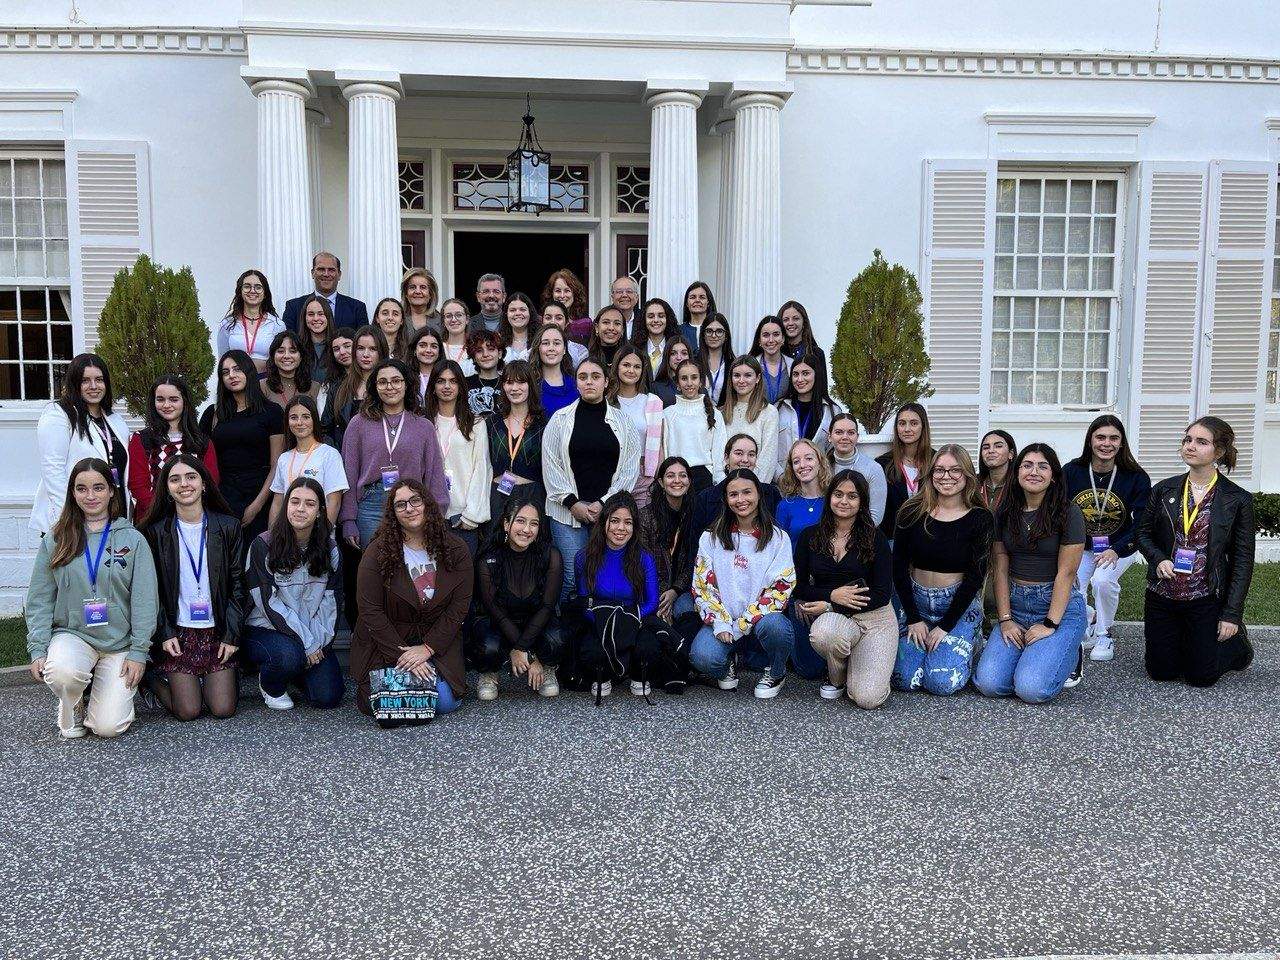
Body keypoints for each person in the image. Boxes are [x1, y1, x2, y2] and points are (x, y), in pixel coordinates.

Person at [25, 459, 158, 738]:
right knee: (62, 671)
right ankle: (72, 699)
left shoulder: (132, 540)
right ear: (72, 493)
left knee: (108, 728)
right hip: (74, 635)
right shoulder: (57, 539)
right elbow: (40, 599)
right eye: (82, 488)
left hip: (119, 642)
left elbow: (146, 601)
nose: (91, 496)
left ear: (111, 491)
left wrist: (139, 652)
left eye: (98, 488)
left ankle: (103, 694)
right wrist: (38, 647)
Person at [1136, 416, 1255, 688]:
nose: (1191, 446)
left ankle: (1237, 648)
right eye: (1188, 440)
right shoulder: (1164, 489)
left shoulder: (1237, 499)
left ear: (1219, 452)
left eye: (1201, 442)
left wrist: (1232, 614)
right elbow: (1142, 534)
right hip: (1163, 593)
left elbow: (1242, 560)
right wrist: (1158, 558)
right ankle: (1187, 644)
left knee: (1200, 678)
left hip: (1205, 597)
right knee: (1161, 672)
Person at [974, 444, 1088, 704]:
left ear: (1054, 476)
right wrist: (1005, 619)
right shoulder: (1004, 514)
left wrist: (1050, 624)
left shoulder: (1069, 513)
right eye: (1027, 465)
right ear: (1016, 473)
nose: (1033, 471)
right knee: (989, 684)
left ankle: (1068, 647)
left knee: (1031, 690)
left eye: (1042, 466)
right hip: (1015, 606)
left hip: (1056, 606)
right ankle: (1036, 654)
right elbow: (1000, 568)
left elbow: (1067, 573)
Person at [351, 479, 473, 718]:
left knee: (444, 702)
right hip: (389, 641)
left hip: (436, 640)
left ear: (427, 503)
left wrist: (428, 648)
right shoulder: (377, 552)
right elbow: (370, 611)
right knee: (385, 701)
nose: (409, 508)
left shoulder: (456, 549)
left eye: (415, 500)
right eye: (400, 505)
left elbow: (459, 607)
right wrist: (406, 657)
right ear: (393, 513)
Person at [138, 454, 245, 721]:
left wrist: (231, 636)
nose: (184, 484)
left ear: (204, 483)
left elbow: (238, 586)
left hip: (217, 630)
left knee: (222, 709)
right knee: (188, 711)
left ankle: (222, 678)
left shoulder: (227, 526)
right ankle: (151, 679)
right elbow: (151, 592)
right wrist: (164, 632)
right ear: (166, 488)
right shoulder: (155, 532)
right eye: (175, 479)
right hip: (178, 632)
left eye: (191, 477)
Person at [891, 445, 993, 696]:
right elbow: (899, 567)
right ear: (930, 474)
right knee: (904, 680)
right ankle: (934, 648)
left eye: (955, 470)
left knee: (941, 684)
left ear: (967, 475)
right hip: (916, 603)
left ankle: (971, 638)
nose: (946, 476)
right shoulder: (911, 512)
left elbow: (975, 578)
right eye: (939, 470)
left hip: (957, 606)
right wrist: (914, 618)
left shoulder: (980, 518)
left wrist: (945, 626)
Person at [690, 469, 796, 699]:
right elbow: (702, 586)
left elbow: (780, 588)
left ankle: (776, 672)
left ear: (759, 493)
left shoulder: (778, 538)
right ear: (726, 500)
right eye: (733, 494)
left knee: (777, 628)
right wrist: (721, 623)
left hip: (760, 621)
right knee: (703, 657)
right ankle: (727, 662)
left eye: (747, 492)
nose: (741, 500)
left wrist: (742, 625)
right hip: (724, 622)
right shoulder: (710, 537)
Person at [542, 357, 642, 601]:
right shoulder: (559, 419)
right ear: (576, 383)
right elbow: (550, 464)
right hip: (566, 514)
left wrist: (604, 503)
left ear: (606, 382)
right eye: (583, 377)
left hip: (608, 514)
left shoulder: (624, 422)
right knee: (570, 577)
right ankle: (565, 634)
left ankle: (598, 630)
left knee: (602, 576)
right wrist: (572, 503)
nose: (589, 382)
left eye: (595, 377)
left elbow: (629, 469)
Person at [794, 470, 896, 708]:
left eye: (852, 496)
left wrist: (831, 603)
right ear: (829, 497)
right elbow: (798, 588)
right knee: (824, 633)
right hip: (837, 620)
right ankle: (837, 677)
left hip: (875, 619)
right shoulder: (810, 536)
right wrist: (830, 595)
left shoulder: (875, 538)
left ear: (861, 503)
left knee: (867, 699)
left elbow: (882, 593)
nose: (844, 501)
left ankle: (862, 665)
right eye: (838, 494)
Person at [244, 477, 344, 711]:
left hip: (311, 631)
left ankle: (297, 669)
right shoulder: (263, 544)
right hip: (265, 628)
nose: (300, 509)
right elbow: (269, 605)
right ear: (286, 505)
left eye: (309, 504)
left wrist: (317, 644)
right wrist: (307, 644)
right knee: (288, 656)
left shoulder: (330, 550)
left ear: (320, 512)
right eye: (295, 501)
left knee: (327, 697)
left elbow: (332, 604)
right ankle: (272, 685)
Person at [571, 492, 684, 698]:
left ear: (634, 527)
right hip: (601, 620)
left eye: (628, 522)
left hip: (634, 618)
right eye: (614, 521)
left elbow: (651, 602)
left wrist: (626, 621)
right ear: (604, 522)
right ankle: (602, 675)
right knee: (591, 651)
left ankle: (639, 675)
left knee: (649, 648)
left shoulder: (644, 558)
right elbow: (584, 601)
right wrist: (606, 621)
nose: (621, 528)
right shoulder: (584, 557)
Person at [1063, 415, 1152, 663]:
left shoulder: (1135, 476)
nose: (1107, 443)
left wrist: (1118, 549)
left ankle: (1104, 633)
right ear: (1090, 441)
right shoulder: (1071, 471)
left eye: (1114, 438)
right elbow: (1057, 511)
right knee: (1074, 588)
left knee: (1102, 581)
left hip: (1118, 545)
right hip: (1080, 546)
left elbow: (1143, 522)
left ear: (1122, 443)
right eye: (1100, 437)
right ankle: (1087, 620)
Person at [340, 358, 449, 549]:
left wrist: (436, 514)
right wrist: (348, 519)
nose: (390, 387)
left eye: (396, 381)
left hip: (413, 504)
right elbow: (349, 473)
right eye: (383, 382)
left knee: (410, 568)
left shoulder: (424, 426)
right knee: (376, 569)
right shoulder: (358, 424)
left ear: (407, 384)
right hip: (371, 506)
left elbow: (434, 473)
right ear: (375, 387)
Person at [470, 499, 564, 701]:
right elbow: (493, 609)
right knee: (487, 647)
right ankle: (489, 672)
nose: (527, 529)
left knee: (558, 639)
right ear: (506, 524)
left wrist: (523, 648)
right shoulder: (487, 558)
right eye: (520, 521)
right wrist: (527, 653)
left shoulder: (551, 555)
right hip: (497, 623)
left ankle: (547, 666)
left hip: (536, 622)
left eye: (534, 523)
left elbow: (547, 607)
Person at [33, 353, 130, 534]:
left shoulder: (115, 420)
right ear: (74, 383)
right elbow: (53, 470)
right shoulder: (59, 414)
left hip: (113, 515)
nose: (94, 386)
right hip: (74, 520)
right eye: (85, 380)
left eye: (99, 380)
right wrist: (69, 519)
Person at [199, 350, 284, 550]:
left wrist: (257, 506)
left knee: (257, 560)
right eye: (225, 372)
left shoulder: (272, 412)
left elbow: (276, 464)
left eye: (237, 369)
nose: (232, 375)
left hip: (260, 495)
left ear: (249, 371)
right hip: (222, 497)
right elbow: (202, 461)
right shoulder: (213, 414)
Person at [127, 376, 219, 518]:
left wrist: (186, 514)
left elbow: (211, 482)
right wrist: (163, 515)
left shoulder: (202, 441)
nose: (166, 405)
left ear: (184, 402)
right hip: (152, 521)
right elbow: (138, 486)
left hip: (194, 519)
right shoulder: (141, 439)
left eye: (173, 399)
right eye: (160, 399)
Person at [424, 360, 491, 555]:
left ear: (461, 386)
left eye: (453, 381)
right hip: (427, 517)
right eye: (441, 381)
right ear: (433, 387)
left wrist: (471, 516)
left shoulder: (476, 423)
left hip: (461, 519)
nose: (446, 386)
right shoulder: (423, 422)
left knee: (462, 581)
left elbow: (482, 469)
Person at [268, 395, 348, 525]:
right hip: (287, 534)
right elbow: (277, 503)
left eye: (306, 417)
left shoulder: (329, 454)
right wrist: (271, 538)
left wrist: (323, 536)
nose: (299, 422)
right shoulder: (284, 458)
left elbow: (334, 502)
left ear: (314, 420)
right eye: (293, 417)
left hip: (318, 533)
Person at [486, 360, 546, 527]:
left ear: (530, 385)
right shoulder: (492, 423)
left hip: (532, 494)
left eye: (521, 382)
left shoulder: (543, 424)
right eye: (509, 382)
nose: (514, 388)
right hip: (498, 494)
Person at [640, 456, 698, 627]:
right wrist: (663, 595)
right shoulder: (645, 517)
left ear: (689, 481)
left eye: (683, 475)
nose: (677, 480)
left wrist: (676, 590)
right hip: (651, 589)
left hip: (685, 589)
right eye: (670, 476)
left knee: (687, 614)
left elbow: (696, 560)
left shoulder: (695, 514)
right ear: (660, 482)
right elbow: (643, 563)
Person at [687, 434, 782, 537]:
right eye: (739, 453)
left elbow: (778, 536)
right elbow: (694, 541)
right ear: (726, 457)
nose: (745, 459)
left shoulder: (772, 494)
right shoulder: (705, 498)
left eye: (751, 454)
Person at [609, 344, 665, 508]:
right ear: (617, 366)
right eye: (626, 365)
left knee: (643, 528)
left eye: (637, 367)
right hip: (612, 472)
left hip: (643, 475)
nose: (631, 370)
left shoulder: (652, 401)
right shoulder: (605, 402)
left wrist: (657, 478)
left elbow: (658, 445)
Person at [320, 324, 387, 453]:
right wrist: (337, 455)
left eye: (373, 349)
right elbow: (325, 429)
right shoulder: (338, 387)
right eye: (361, 348)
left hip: (382, 458)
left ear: (381, 351)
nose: (366, 354)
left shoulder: (391, 386)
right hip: (346, 458)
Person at [661, 360, 726, 492]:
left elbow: (719, 449)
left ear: (701, 381)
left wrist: (718, 479)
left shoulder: (715, 414)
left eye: (694, 377)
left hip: (705, 477)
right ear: (678, 384)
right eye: (684, 378)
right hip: (677, 478)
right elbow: (666, 450)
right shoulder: (667, 414)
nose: (689, 383)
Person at [876, 402, 936, 539]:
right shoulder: (883, 464)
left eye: (914, 423)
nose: (907, 429)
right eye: (902, 423)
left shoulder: (936, 461)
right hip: (893, 539)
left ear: (923, 427)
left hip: (929, 537)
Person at [776, 356, 843, 473]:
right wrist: (780, 477)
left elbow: (835, 451)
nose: (800, 379)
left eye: (805, 373)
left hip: (819, 483)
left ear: (816, 375)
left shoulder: (833, 411)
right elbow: (771, 449)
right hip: (784, 483)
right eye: (795, 374)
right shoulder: (779, 408)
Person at [216, 269, 286, 374]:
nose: (252, 291)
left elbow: (282, 358)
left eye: (258, 287)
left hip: (267, 383)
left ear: (265, 293)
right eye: (247, 286)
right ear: (240, 291)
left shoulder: (277, 325)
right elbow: (223, 360)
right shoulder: (227, 324)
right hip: (236, 383)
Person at [282, 252, 369, 332]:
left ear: (339, 275)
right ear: (312, 273)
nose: (326, 274)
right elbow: (289, 342)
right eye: (321, 269)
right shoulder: (293, 307)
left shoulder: (357, 308)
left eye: (331, 270)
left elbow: (362, 342)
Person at [827, 413, 887, 527]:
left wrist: (847, 536)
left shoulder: (873, 469)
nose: (845, 437)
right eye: (839, 432)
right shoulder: (821, 467)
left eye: (851, 432)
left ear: (857, 437)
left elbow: (875, 516)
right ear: (829, 436)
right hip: (825, 533)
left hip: (860, 536)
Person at [776, 438, 833, 545]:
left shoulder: (833, 501)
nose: (802, 465)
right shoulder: (785, 506)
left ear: (820, 462)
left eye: (808, 458)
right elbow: (780, 547)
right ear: (792, 468)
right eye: (796, 461)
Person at [534, 322, 580, 417]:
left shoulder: (577, 384)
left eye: (556, 343)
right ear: (538, 348)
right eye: (546, 343)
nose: (551, 348)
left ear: (564, 349)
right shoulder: (530, 384)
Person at [261, 330, 316, 408]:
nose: (286, 356)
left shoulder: (315, 387)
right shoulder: (261, 387)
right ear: (273, 357)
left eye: (293, 351)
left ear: (301, 357)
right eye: (280, 351)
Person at [295, 294, 339, 387]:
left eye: (321, 314)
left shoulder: (338, 346)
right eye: (311, 314)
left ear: (328, 316)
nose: (316, 318)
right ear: (304, 318)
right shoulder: (296, 346)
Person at [749, 315, 792, 404]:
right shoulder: (750, 366)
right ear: (759, 340)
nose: (771, 340)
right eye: (766, 335)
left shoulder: (792, 365)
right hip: (758, 416)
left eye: (776, 334)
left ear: (783, 338)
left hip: (786, 417)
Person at [632, 297, 680, 375]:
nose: (656, 320)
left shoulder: (678, 345)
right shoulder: (634, 346)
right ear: (644, 320)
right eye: (651, 316)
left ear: (668, 319)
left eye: (661, 316)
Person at [316, 328, 353, 425]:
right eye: (336, 349)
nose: (342, 352)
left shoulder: (372, 379)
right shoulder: (329, 385)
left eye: (347, 346)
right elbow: (326, 424)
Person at [542, 268, 591, 341]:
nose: (562, 295)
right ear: (551, 293)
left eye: (567, 291)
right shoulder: (541, 322)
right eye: (558, 291)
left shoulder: (586, 325)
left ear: (574, 293)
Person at [464, 329, 505, 417]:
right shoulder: (464, 383)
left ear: (500, 354)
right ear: (474, 357)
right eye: (479, 351)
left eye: (491, 349)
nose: (485, 354)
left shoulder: (509, 383)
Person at [697, 314, 734, 405]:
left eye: (719, 331)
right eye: (709, 331)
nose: (714, 335)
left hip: (725, 417)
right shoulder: (693, 362)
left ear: (726, 336)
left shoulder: (734, 364)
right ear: (703, 335)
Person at [777, 300, 826, 368]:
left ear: (804, 323)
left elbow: (821, 378)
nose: (790, 323)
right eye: (786, 320)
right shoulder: (774, 353)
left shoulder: (817, 353)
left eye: (796, 319)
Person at [538, 301, 589, 366]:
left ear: (566, 323)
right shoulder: (528, 354)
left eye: (558, 318)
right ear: (542, 322)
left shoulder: (580, 351)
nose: (553, 322)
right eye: (548, 318)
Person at [977, 429, 1018, 511]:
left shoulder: (1019, 485)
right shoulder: (972, 483)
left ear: (1011, 454)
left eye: (998, 446)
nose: (991, 451)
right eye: (986, 447)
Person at [438, 297, 476, 375]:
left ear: (467, 319)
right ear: (443, 321)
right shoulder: (437, 348)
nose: (454, 319)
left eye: (459, 315)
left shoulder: (476, 349)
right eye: (448, 316)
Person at [652, 336, 692, 407]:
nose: (679, 358)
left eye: (684, 353)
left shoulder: (699, 386)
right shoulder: (656, 388)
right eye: (673, 353)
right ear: (667, 357)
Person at [372, 296, 413, 363]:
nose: (390, 318)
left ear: (402, 320)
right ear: (377, 318)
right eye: (385, 313)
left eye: (395, 314)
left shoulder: (410, 349)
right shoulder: (368, 347)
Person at [409, 325, 444, 403]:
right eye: (422, 345)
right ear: (414, 349)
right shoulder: (406, 376)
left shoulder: (447, 376)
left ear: (439, 351)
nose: (428, 350)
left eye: (434, 346)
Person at [678, 281, 716, 352]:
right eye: (693, 297)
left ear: (708, 303)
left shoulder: (717, 329)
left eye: (702, 297)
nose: (697, 300)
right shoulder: (678, 331)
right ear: (686, 303)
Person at [499, 292, 536, 362]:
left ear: (530, 312)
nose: (518, 313)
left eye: (522, 309)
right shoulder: (498, 341)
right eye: (512, 310)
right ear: (506, 314)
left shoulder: (540, 340)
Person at [402, 267, 440, 333]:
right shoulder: (397, 318)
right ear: (406, 293)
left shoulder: (441, 321)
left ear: (431, 294)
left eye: (423, 287)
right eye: (412, 287)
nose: (417, 291)